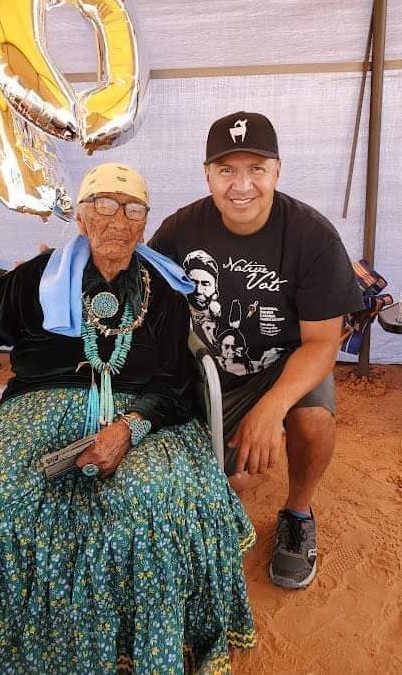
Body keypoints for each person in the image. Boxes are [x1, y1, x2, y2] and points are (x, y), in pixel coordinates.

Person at [0, 162, 256, 673]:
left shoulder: (165, 292)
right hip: (39, 407)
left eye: (131, 209)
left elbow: (176, 383)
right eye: (103, 206)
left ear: (144, 223)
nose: (117, 220)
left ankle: (139, 649)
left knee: (147, 504)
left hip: (142, 414)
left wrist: (129, 427)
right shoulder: (37, 278)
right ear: (81, 217)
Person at [150, 111, 365, 590]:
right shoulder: (180, 230)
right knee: (230, 482)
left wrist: (272, 407)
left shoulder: (312, 236)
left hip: (285, 365)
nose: (241, 185)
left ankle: (297, 513)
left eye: (256, 169)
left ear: (277, 171)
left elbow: (322, 343)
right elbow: (147, 303)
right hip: (211, 368)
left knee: (313, 418)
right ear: (207, 174)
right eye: (226, 170)